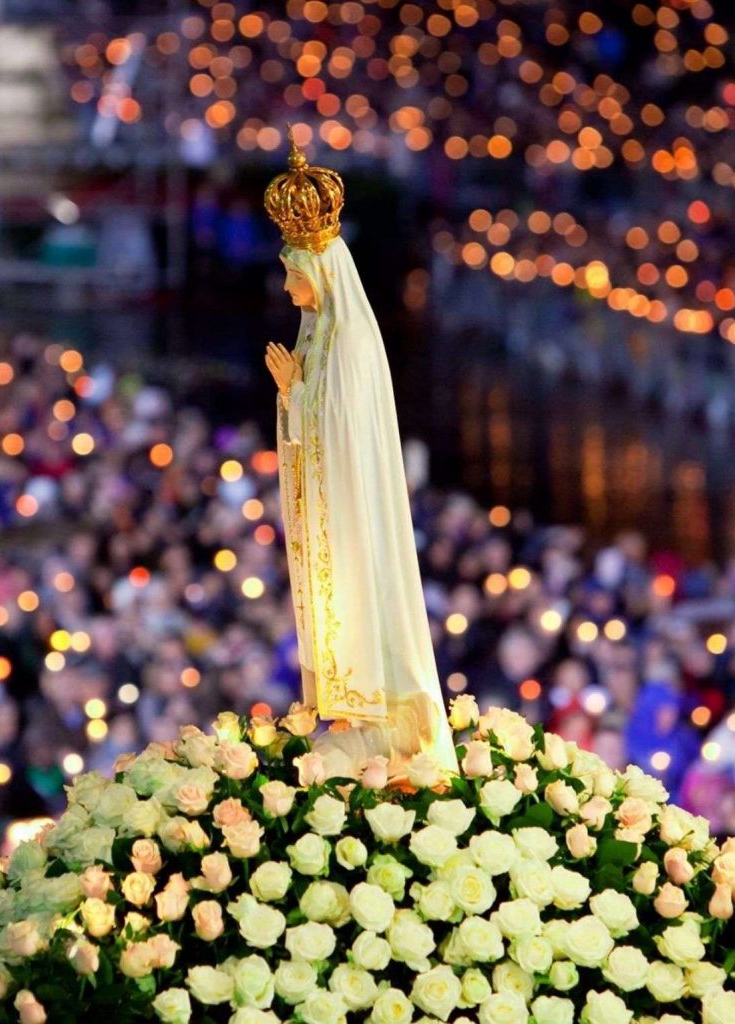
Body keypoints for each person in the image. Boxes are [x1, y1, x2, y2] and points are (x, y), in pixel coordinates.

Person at [261, 128, 457, 773]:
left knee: (354, 599)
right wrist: (291, 397)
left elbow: (341, 436)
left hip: (346, 509)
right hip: (328, 507)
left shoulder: (348, 345)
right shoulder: (318, 335)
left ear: (319, 273)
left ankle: (379, 709)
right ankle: (352, 708)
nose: (289, 291)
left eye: (294, 278)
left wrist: (295, 397)